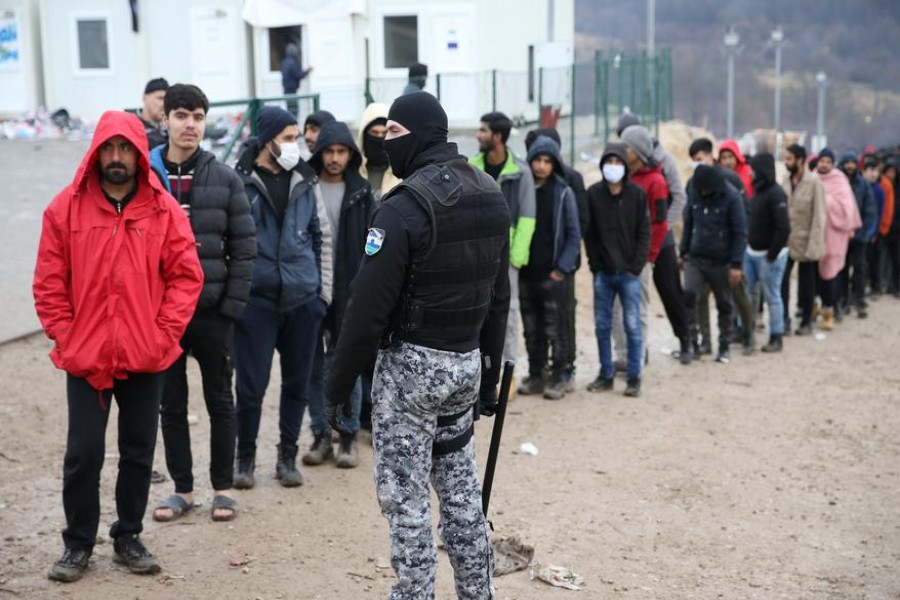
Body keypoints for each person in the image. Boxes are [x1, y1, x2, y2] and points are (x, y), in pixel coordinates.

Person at [325, 91, 510, 600]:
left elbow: (366, 308)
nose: (385, 142)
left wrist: (337, 386)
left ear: (423, 133)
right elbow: (499, 300)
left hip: (411, 376)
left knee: (406, 502)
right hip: (465, 368)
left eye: (394, 132)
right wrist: (489, 377)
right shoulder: (490, 193)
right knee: (462, 497)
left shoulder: (402, 208)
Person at [34, 110, 203, 582]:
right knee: (83, 453)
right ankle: (78, 543)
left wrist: (163, 334)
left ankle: (128, 534)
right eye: (107, 148)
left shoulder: (163, 209)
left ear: (138, 154)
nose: (115, 157)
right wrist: (66, 333)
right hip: (87, 356)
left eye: (124, 148)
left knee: (138, 450)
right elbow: (49, 280)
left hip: (146, 354)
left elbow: (186, 276)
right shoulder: (65, 208)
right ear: (95, 152)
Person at [147, 84, 257, 523]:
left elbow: (244, 247)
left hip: (212, 312)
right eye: (181, 115)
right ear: (165, 119)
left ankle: (223, 488)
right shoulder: (148, 176)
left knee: (220, 401)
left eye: (197, 116)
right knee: (170, 404)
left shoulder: (225, 178)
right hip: (163, 315)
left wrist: (231, 306)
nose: (189, 124)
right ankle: (182, 490)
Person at [232, 106, 333, 489]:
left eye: (296, 138)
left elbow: (323, 237)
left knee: (296, 384)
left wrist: (322, 295)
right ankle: (244, 459)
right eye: (288, 138)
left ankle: (287, 457)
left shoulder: (306, 180)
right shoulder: (239, 181)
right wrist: (236, 296)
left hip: (302, 300)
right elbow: (228, 242)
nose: (296, 145)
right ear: (267, 139)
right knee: (250, 388)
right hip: (255, 303)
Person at [302, 120, 374, 468]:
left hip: (350, 290)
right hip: (312, 290)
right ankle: (320, 434)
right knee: (312, 365)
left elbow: (373, 244)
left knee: (349, 366)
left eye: (341, 151)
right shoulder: (305, 187)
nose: (334, 158)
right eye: (328, 151)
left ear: (350, 154)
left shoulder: (362, 192)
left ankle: (347, 436)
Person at [616, 116, 689, 365]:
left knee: (670, 293)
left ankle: (686, 339)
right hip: (634, 243)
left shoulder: (664, 162)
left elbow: (678, 197)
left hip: (661, 239)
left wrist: (663, 227)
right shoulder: (626, 167)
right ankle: (639, 351)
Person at [471, 111, 536, 390]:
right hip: (476, 257)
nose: (478, 135)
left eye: (483, 130)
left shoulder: (521, 172)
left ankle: (506, 377)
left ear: (497, 136)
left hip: (507, 261)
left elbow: (528, 218)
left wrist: (516, 259)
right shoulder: (472, 167)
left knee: (507, 316)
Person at [515, 136, 580, 399]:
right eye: (537, 160)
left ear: (554, 165)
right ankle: (536, 374)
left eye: (547, 161)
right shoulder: (523, 189)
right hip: (526, 272)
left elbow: (573, 234)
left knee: (556, 328)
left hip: (552, 273)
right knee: (532, 329)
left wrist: (561, 269)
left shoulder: (563, 193)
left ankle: (559, 375)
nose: (541, 166)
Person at [583, 143, 650, 396]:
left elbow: (644, 232)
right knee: (602, 325)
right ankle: (606, 373)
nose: (613, 167)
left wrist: (636, 266)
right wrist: (595, 265)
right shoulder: (593, 194)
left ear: (625, 166)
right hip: (604, 273)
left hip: (630, 274)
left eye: (618, 162)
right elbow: (590, 234)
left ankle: (634, 377)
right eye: (609, 162)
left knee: (632, 325)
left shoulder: (637, 195)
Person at [679, 165, 747, 364]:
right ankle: (692, 343)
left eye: (706, 190)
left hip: (722, 260)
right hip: (695, 257)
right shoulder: (694, 192)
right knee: (689, 295)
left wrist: (736, 264)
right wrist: (682, 252)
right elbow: (688, 223)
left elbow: (740, 232)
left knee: (724, 304)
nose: (703, 193)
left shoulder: (732, 197)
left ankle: (724, 345)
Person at [743, 153, 790, 352]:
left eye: (753, 170)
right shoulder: (757, 192)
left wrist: (772, 254)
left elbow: (783, 228)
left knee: (772, 296)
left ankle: (776, 336)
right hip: (751, 253)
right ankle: (746, 332)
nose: (750, 174)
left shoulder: (776, 194)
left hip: (770, 256)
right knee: (748, 295)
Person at [781, 144, 827, 336]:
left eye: (789, 159)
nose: (786, 162)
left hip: (807, 240)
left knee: (807, 284)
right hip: (786, 241)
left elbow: (819, 216)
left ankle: (806, 320)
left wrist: (814, 245)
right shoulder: (785, 181)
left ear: (800, 160)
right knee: (782, 280)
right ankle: (784, 319)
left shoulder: (814, 183)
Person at [815, 148, 862, 331]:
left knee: (830, 274)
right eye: (822, 161)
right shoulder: (812, 178)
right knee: (813, 275)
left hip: (834, 235)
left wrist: (826, 201)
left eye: (828, 161)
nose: (824, 165)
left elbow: (847, 210)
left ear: (833, 164)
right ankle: (812, 307)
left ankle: (830, 310)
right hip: (815, 236)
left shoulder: (840, 181)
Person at [836, 152, 877, 318]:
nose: (850, 166)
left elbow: (870, 209)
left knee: (860, 268)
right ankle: (843, 300)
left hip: (859, 236)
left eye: (853, 163)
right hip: (841, 235)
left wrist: (864, 231)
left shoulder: (863, 184)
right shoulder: (837, 183)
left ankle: (859, 300)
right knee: (842, 269)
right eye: (847, 163)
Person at [357, 102, 401, 200]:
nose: (379, 138)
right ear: (364, 136)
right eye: (374, 133)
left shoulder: (402, 176)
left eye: (385, 133)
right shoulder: (353, 174)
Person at [866, 157, 893, 297]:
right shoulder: (865, 186)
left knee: (876, 260)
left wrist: (882, 228)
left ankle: (876, 286)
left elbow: (885, 210)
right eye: (871, 170)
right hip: (865, 230)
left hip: (878, 229)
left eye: (876, 170)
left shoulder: (883, 187)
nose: (874, 173)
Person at [281, 43, 313, 117]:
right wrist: (307, 71)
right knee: (294, 110)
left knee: (290, 109)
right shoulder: (293, 63)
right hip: (292, 90)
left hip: (286, 89)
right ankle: (293, 123)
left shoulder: (284, 62)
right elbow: (299, 75)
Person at [139, 77, 168, 149]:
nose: (164, 104)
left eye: (167, 100)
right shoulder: (132, 127)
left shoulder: (169, 130)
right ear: (144, 98)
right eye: (160, 98)